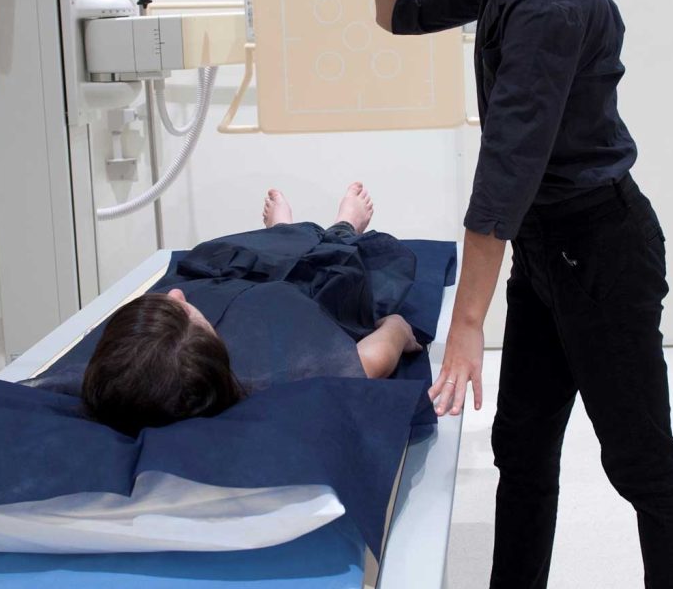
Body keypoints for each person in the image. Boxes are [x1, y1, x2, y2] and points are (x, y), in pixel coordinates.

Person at [361, 0, 673, 589]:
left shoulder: (552, 0)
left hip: (602, 250)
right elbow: (397, 10)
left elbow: (504, 175)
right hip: (551, 250)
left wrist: (467, 321)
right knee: (522, 446)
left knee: (640, 461)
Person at [82, 183, 423, 437]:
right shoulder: (265, 375)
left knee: (228, 256)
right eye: (186, 311)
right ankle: (343, 228)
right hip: (290, 302)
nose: (176, 295)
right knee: (337, 274)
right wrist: (396, 328)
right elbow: (372, 362)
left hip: (218, 280)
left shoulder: (114, 371)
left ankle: (282, 233)